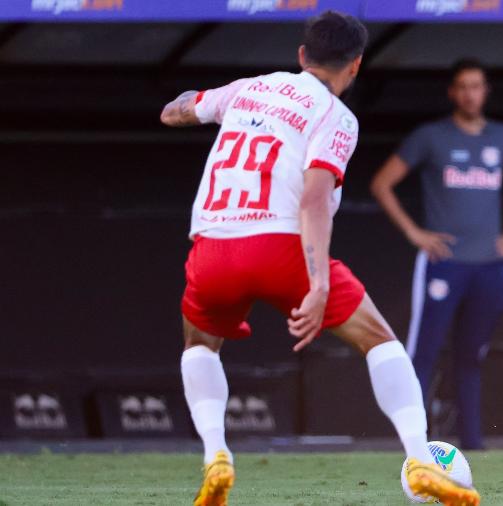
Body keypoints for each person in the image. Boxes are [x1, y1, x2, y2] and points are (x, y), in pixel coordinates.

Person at [159, 11, 480, 506]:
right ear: (354, 67)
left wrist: (186, 106)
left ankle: (216, 455)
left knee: (200, 344)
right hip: (279, 244)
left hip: (213, 246)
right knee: (379, 339)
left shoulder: (248, 89)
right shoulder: (335, 116)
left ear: (302, 55)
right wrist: (319, 282)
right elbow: (312, 200)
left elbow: (178, 110)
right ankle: (419, 459)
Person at [371, 59, 503, 450]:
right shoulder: (431, 136)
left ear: (486, 90)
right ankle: (414, 444)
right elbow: (382, 183)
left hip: (489, 265)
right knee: (423, 353)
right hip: (445, 262)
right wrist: (415, 233)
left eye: (476, 85)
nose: (470, 93)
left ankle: (472, 443)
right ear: (452, 92)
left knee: (470, 356)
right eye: (462, 86)